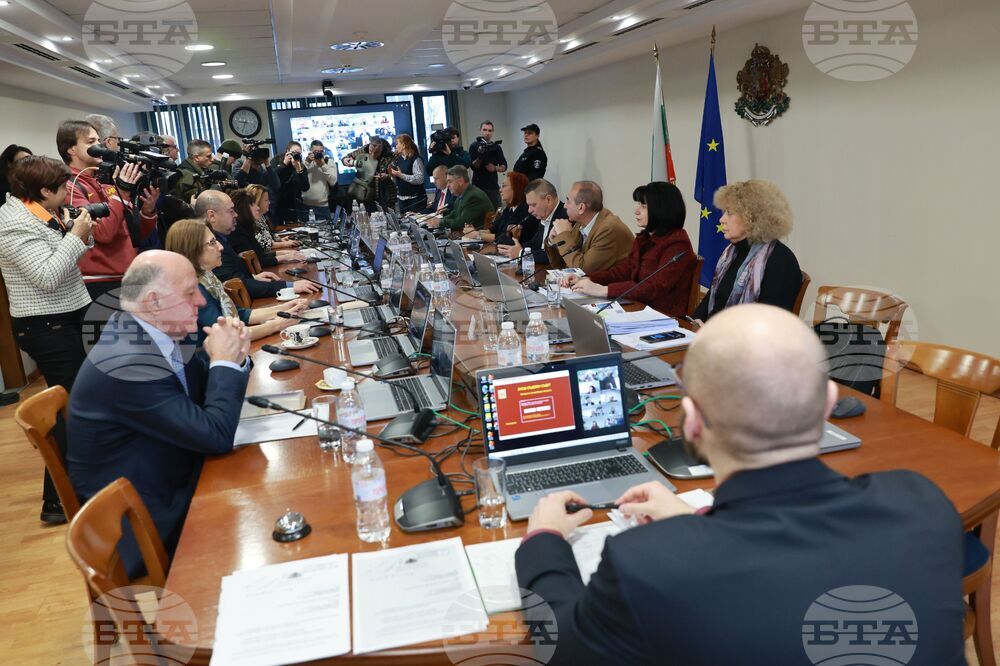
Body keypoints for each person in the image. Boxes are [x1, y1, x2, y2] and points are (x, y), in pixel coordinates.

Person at [516, 304, 966, 665]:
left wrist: (544, 539)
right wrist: (699, 517)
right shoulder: (923, 504)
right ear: (829, 403)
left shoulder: (646, 563)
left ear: (692, 422)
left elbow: (560, 644)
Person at [67, 251, 252, 578]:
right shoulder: (129, 363)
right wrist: (225, 362)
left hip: (169, 476)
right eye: (190, 292)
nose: (200, 301)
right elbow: (215, 435)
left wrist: (232, 356)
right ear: (153, 301)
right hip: (143, 520)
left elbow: (198, 393)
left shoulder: (154, 331)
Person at [0, 156, 97, 524]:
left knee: (77, 403)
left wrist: (80, 234)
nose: (67, 191)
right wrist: (73, 236)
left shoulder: (41, 210)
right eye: (62, 187)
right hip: (46, 325)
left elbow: (69, 258)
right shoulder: (13, 223)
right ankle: (58, 499)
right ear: (43, 190)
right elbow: (46, 276)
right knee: (69, 407)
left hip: (70, 313)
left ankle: (73, 490)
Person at [59, 120, 158, 303]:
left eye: (99, 140)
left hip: (127, 274)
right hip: (102, 281)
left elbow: (134, 235)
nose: (99, 146)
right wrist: (122, 193)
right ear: (71, 150)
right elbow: (103, 234)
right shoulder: (69, 186)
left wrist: (147, 211)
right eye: (91, 142)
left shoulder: (103, 180)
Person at [165, 219, 307, 342]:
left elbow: (240, 314)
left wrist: (284, 308)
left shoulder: (206, 277)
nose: (220, 247)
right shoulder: (192, 291)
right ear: (192, 250)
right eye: (212, 242)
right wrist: (278, 324)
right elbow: (230, 334)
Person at [566, 182, 697, 316]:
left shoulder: (678, 245)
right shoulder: (645, 238)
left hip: (663, 316)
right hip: (637, 307)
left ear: (661, 209)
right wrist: (588, 279)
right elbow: (623, 271)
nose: (637, 211)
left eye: (643, 206)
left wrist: (604, 290)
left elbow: (653, 287)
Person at [693, 179, 802, 323]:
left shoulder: (780, 261)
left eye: (729, 213)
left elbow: (771, 322)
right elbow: (714, 298)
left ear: (753, 217)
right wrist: (693, 323)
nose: (722, 219)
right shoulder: (731, 253)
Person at [194, 190, 319, 299]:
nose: (236, 215)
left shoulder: (222, 238)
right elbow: (235, 283)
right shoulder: (208, 246)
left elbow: (236, 277)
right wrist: (289, 286)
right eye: (231, 211)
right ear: (212, 216)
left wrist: (253, 278)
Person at [545, 180, 632, 273]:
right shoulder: (580, 223)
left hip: (617, 281)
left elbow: (582, 270)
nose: (565, 205)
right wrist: (552, 240)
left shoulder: (608, 229)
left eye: (568, 201)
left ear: (581, 208)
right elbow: (561, 264)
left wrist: (564, 235)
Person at [228, 187, 304, 267]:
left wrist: (286, 253)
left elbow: (261, 255)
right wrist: (285, 257)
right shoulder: (237, 231)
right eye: (253, 204)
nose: (258, 207)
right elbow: (256, 261)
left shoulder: (247, 227)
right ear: (244, 208)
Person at [463, 171, 536, 251]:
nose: (500, 190)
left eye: (504, 186)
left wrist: (477, 235)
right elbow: (493, 230)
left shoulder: (525, 210)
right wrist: (473, 231)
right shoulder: (509, 209)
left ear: (516, 188)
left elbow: (506, 237)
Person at [426, 166, 492, 233]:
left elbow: (462, 223)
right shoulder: (462, 194)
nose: (448, 185)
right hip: (464, 234)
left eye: (450, 181)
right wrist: (436, 220)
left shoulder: (473, 196)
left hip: (475, 236)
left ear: (460, 181)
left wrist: (440, 222)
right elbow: (453, 214)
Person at [342, 137, 396, 212]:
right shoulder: (363, 150)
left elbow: (396, 174)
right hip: (366, 192)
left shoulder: (390, 156)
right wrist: (346, 160)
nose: (373, 155)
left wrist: (387, 176)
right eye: (371, 152)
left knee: (387, 215)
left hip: (385, 193)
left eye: (376, 152)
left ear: (381, 149)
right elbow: (346, 158)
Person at [469, 120, 507, 209]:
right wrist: (480, 157)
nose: (487, 133)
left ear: (492, 132)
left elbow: (504, 166)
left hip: (492, 187)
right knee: (478, 213)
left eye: (490, 130)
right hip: (477, 187)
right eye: (485, 130)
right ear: (480, 130)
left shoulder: (496, 147)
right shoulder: (474, 146)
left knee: (495, 212)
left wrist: (495, 168)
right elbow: (473, 167)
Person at [387, 134, 427, 214]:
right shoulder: (397, 159)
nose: (396, 146)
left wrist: (400, 175)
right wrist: (392, 175)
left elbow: (419, 179)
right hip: (401, 198)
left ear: (404, 145)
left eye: (397, 144)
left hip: (416, 198)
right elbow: (397, 181)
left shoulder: (416, 159)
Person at [274, 141, 310, 224]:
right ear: (287, 151)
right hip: (277, 204)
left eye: (298, 153)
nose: (296, 155)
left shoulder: (300, 166)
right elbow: (272, 178)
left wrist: (298, 169)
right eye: (294, 152)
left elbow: (305, 187)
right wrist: (284, 164)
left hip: (294, 205)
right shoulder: (277, 160)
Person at [303, 140, 338, 220]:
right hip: (305, 206)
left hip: (323, 206)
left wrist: (323, 165)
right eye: (316, 152)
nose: (318, 154)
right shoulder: (305, 162)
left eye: (321, 152)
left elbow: (333, 182)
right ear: (310, 152)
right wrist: (307, 162)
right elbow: (299, 176)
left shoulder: (329, 162)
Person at [172, 139, 215, 203]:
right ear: (196, 157)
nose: (212, 159)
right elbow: (200, 200)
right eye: (208, 156)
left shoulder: (199, 169)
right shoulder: (187, 176)